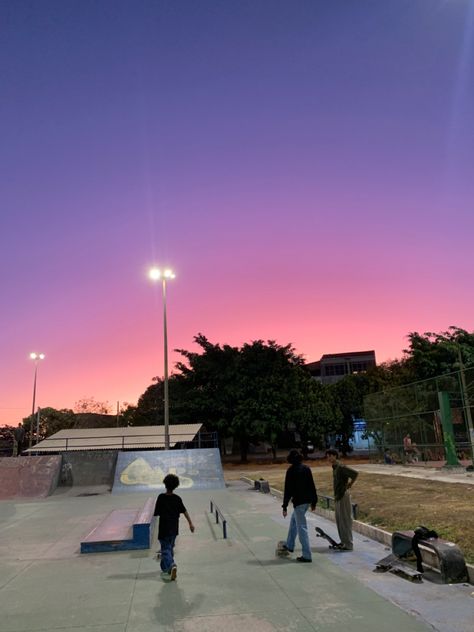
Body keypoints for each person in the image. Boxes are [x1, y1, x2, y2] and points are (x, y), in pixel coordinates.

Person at [153, 473, 195, 581]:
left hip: (164, 529)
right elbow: (184, 511)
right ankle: (166, 568)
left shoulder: (161, 497)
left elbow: (156, 513)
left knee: (166, 549)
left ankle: (172, 565)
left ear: (165, 484)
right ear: (175, 486)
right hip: (174, 529)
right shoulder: (177, 498)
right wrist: (190, 523)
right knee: (169, 548)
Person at [281, 449, 318, 563]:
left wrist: (285, 506)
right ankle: (290, 544)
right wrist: (314, 501)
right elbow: (312, 485)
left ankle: (307, 555)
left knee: (301, 527)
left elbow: (288, 490)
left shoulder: (291, 471)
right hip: (307, 501)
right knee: (294, 521)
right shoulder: (306, 469)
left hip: (299, 503)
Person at [326, 448, 358, 551]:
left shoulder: (341, 467)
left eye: (330, 455)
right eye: (327, 456)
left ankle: (348, 544)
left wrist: (350, 484)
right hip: (338, 496)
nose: (328, 458)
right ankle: (344, 542)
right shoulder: (335, 467)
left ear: (335, 456)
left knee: (345, 520)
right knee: (340, 520)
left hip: (343, 495)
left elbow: (355, 473)